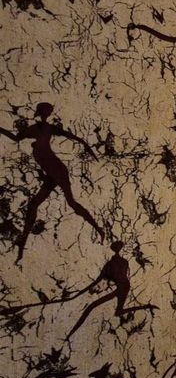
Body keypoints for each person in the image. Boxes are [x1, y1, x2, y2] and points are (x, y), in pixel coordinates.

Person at [0, 102, 103, 261]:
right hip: (51, 174)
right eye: (46, 112)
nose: (46, 115)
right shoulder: (34, 129)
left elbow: (75, 138)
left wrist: (87, 148)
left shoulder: (47, 129)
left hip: (58, 170)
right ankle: (21, 247)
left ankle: (98, 229)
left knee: (71, 203)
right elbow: (15, 137)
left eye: (48, 112)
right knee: (34, 205)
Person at [65, 241, 157, 340]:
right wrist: (76, 295)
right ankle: (146, 306)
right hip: (124, 286)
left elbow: (100, 280)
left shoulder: (111, 264)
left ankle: (146, 306)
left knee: (94, 307)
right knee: (106, 309)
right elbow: (119, 276)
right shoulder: (122, 262)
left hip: (122, 288)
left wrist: (77, 294)